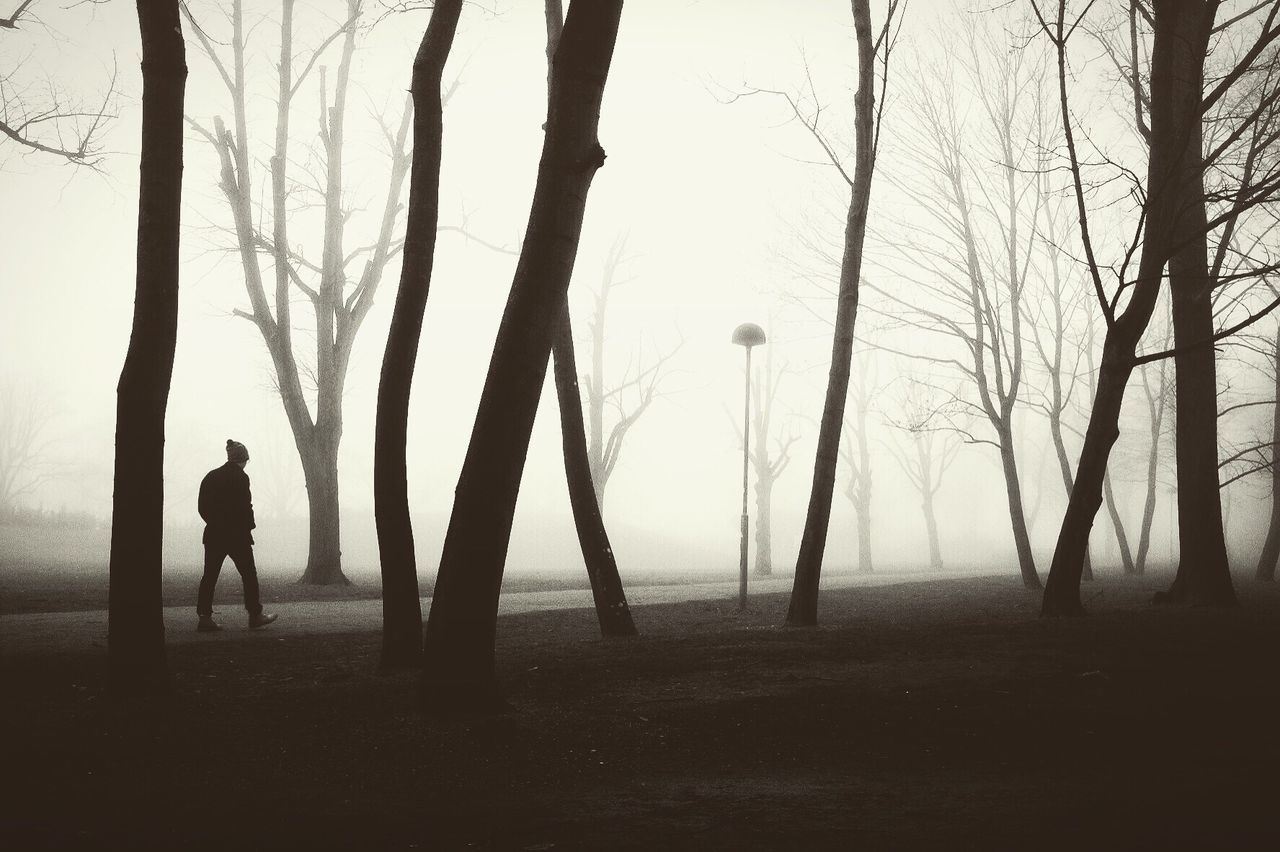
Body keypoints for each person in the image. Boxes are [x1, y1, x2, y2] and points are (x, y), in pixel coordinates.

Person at [196, 439, 277, 631]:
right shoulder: (241, 478)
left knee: (209, 576)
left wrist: (214, 523)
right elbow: (245, 506)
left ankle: (204, 617)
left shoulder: (211, 477)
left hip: (214, 534)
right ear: (242, 459)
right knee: (249, 575)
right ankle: (255, 615)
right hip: (237, 536)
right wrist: (249, 526)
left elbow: (202, 507)